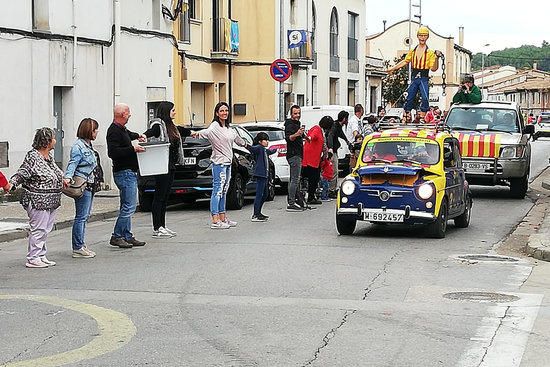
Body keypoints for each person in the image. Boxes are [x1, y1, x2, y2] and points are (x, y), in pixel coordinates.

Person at [9, 128, 62, 268]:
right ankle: (33, 257)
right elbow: (23, 172)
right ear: (46, 142)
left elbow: (56, 172)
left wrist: (63, 179)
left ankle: (41, 255)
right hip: (37, 200)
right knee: (38, 229)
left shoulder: (48, 157)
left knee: (46, 229)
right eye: (53, 138)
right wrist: (12, 183)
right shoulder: (33, 156)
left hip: (51, 200)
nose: (55, 141)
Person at [193, 102, 246, 229]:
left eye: (226, 111)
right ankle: (215, 219)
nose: (224, 113)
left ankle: (223, 217)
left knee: (224, 190)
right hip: (219, 163)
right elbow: (207, 132)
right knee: (217, 190)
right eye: (221, 111)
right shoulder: (214, 127)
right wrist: (196, 133)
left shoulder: (228, 128)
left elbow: (238, 139)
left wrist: (247, 144)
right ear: (217, 113)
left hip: (228, 163)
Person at [143, 101, 191, 238]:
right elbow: (151, 132)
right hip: (162, 166)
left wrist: (195, 133)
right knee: (159, 197)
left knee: (164, 197)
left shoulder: (172, 127)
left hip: (171, 166)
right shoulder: (159, 125)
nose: (175, 112)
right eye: (173, 110)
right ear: (167, 111)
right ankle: (157, 227)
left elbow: (183, 130)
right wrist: (143, 136)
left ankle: (162, 226)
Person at [106, 103, 147, 248]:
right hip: (124, 172)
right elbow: (113, 153)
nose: (130, 115)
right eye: (128, 112)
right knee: (129, 206)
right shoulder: (113, 131)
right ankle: (117, 235)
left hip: (128, 171)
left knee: (126, 205)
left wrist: (138, 136)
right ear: (123, 114)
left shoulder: (121, 129)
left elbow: (128, 134)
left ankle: (127, 235)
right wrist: (132, 149)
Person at [386, 26, 442, 121]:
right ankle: (406, 115)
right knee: (409, 97)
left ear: (427, 37)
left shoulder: (430, 53)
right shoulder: (413, 51)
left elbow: (433, 69)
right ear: (417, 36)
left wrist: (436, 58)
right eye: (420, 35)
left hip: (423, 77)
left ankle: (423, 116)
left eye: (424, 35)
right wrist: (393, 68)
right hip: (414, 77)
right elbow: (405, 61)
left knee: (425, 97)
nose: (422, 37)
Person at [64, 118, 100, 259]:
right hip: (82, 185)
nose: (96, 132)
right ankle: (77, 247)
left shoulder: (88, 145)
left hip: (90, 185)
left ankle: (81, 244)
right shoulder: (78, 146)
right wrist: (67, 177)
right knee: (81, 216)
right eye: (95, 130)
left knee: (85, 216)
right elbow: (73, 163)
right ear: (88, 131)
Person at [302, 115, 334, 206]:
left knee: (314, 178)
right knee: (314, 178)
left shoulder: (319, 130)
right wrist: (309, 138)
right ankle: (311, 197)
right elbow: (312, 136)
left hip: (313, 158)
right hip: (310, 159)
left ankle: (310, 195)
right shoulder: (317, 129)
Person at [247, 132, 276, 222]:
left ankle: (259, 212)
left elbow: (270, 151)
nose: (267, 142)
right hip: (260, 174)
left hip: (265, 175)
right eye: (265, 140)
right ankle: (256, 214)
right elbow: (252, 148)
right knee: (259, 194)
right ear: (260, 141)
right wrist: (244, 144)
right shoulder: (259, 148)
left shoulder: (263, 149)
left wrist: (275, 150)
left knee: (265, 194)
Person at [284, 105, 306, 212]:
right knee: (294, 179)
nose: (297, 115)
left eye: (298, 113)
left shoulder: (297, 124)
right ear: (291, 114)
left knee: (295, 179)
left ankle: (296, 200)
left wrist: (304, 136)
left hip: (297, 154)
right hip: (294, 155)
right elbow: (288, 138)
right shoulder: (289, 124)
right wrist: (297, 134)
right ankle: (291, 203)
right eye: (295, 113)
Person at [327, 110, 352, 197]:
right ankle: (331, 190)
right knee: (334, 171)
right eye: (347, 118)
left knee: (335, 171)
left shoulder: (337, 125)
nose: (347, 121)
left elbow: (341, 134)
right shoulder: (335, 126)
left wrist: (347, 142)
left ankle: (333, 188)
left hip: (334, 150)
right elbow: (330, 135)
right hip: (332, 151)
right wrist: (330, 148)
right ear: (344, 119)